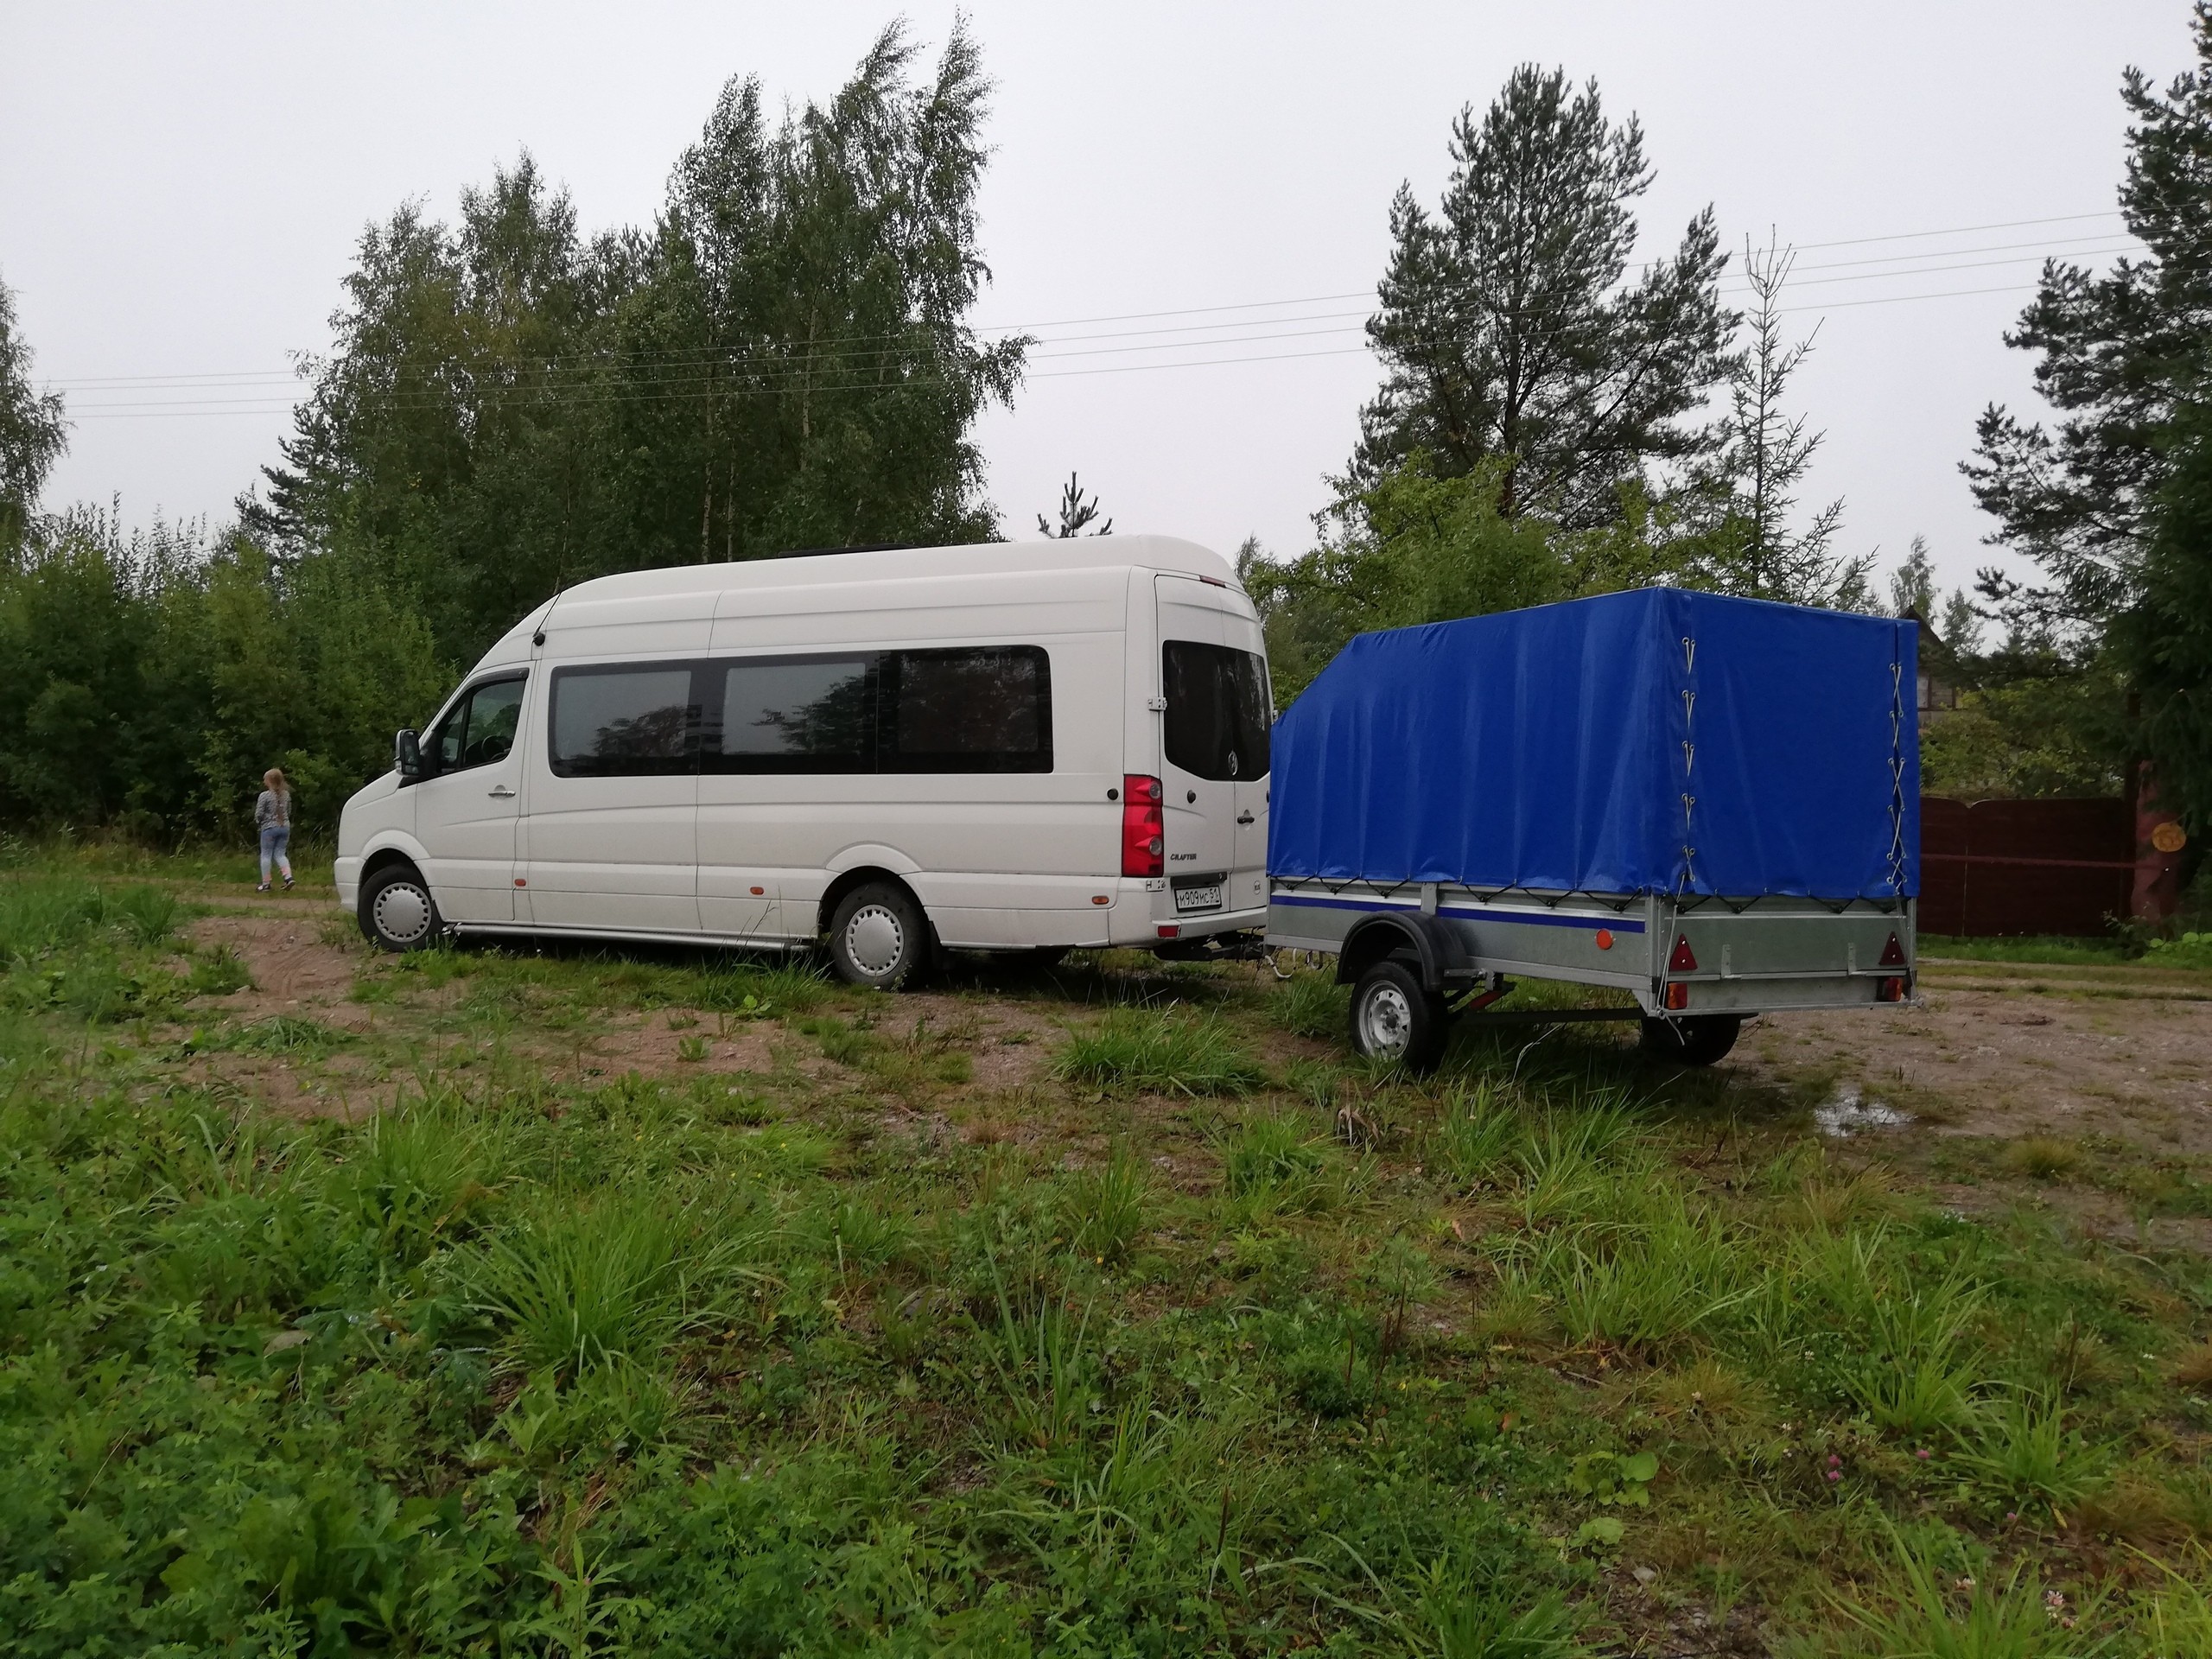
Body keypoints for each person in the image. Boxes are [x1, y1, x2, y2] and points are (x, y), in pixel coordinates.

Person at [255, 768, 294, 893]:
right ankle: (288, 877)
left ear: (269, 781)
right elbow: (288, 810)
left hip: (269, 828)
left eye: (265, 779)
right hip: (284, 827)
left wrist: (259, 822)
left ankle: (266, 883)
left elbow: (259, 813)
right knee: (280, 854)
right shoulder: (286, 795)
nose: (264, 782)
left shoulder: (264, 796)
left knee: (266, 855)